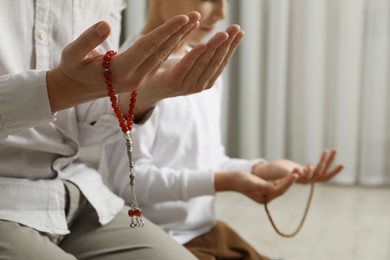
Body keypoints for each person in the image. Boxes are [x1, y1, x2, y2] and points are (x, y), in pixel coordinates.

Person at [0, 1, 244, 259]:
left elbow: (86, 124)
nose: (222, 14)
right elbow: (129, 180)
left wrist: (149, 94)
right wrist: (59, 88)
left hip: (78, 191)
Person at [105, 0, 345, 259]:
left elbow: (210, 161)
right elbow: (128, 183)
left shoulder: (203, 68)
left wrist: (260, 170)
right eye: (208, 0)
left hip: (204, 231)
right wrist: (226, 182)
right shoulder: (130, 75)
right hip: (153, 238)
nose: (221, 13)